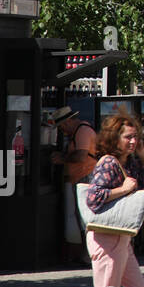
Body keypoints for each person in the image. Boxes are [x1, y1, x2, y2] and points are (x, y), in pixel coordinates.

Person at [84, 113, 144, 287]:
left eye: (136, 137)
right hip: (107, 237)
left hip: (122, 237)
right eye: (128, 137)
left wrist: (142, 152)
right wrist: (122, 190)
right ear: (115, 138)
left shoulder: (128, 163)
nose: (133, 141)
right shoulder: (107, 163)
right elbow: (93, 198)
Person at [53, 107, 98, 264]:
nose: (62, 130)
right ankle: (84, 252)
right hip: (79, 178)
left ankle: (89, 254)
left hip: (85, 178)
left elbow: (81, 156)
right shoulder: (78, 132)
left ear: (68, 121)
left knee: (85, 218)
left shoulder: (82, 131)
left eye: (62, 126)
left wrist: (62, 158)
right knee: (80, 218)